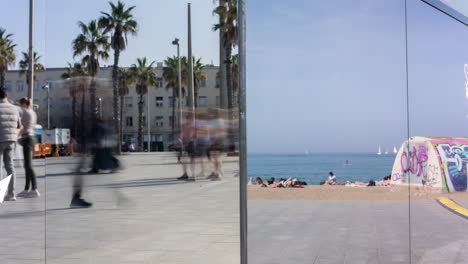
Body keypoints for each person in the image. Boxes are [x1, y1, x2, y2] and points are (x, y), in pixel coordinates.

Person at [0, 89, 21, 201]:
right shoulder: (15, 108)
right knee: (10, 166)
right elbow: (19, 125)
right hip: (11, 140)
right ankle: (11, 194)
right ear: (6, 96)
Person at [17, 98, 39, 198]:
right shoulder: (33, 112)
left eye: (20, 104)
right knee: (27, 165)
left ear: (24, 104)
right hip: (30, 138)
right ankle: (27, 189)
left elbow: (21, 126)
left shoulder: (26, 113)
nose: (20, 106)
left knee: (28, 165)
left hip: (27, 138)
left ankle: (34, 189)